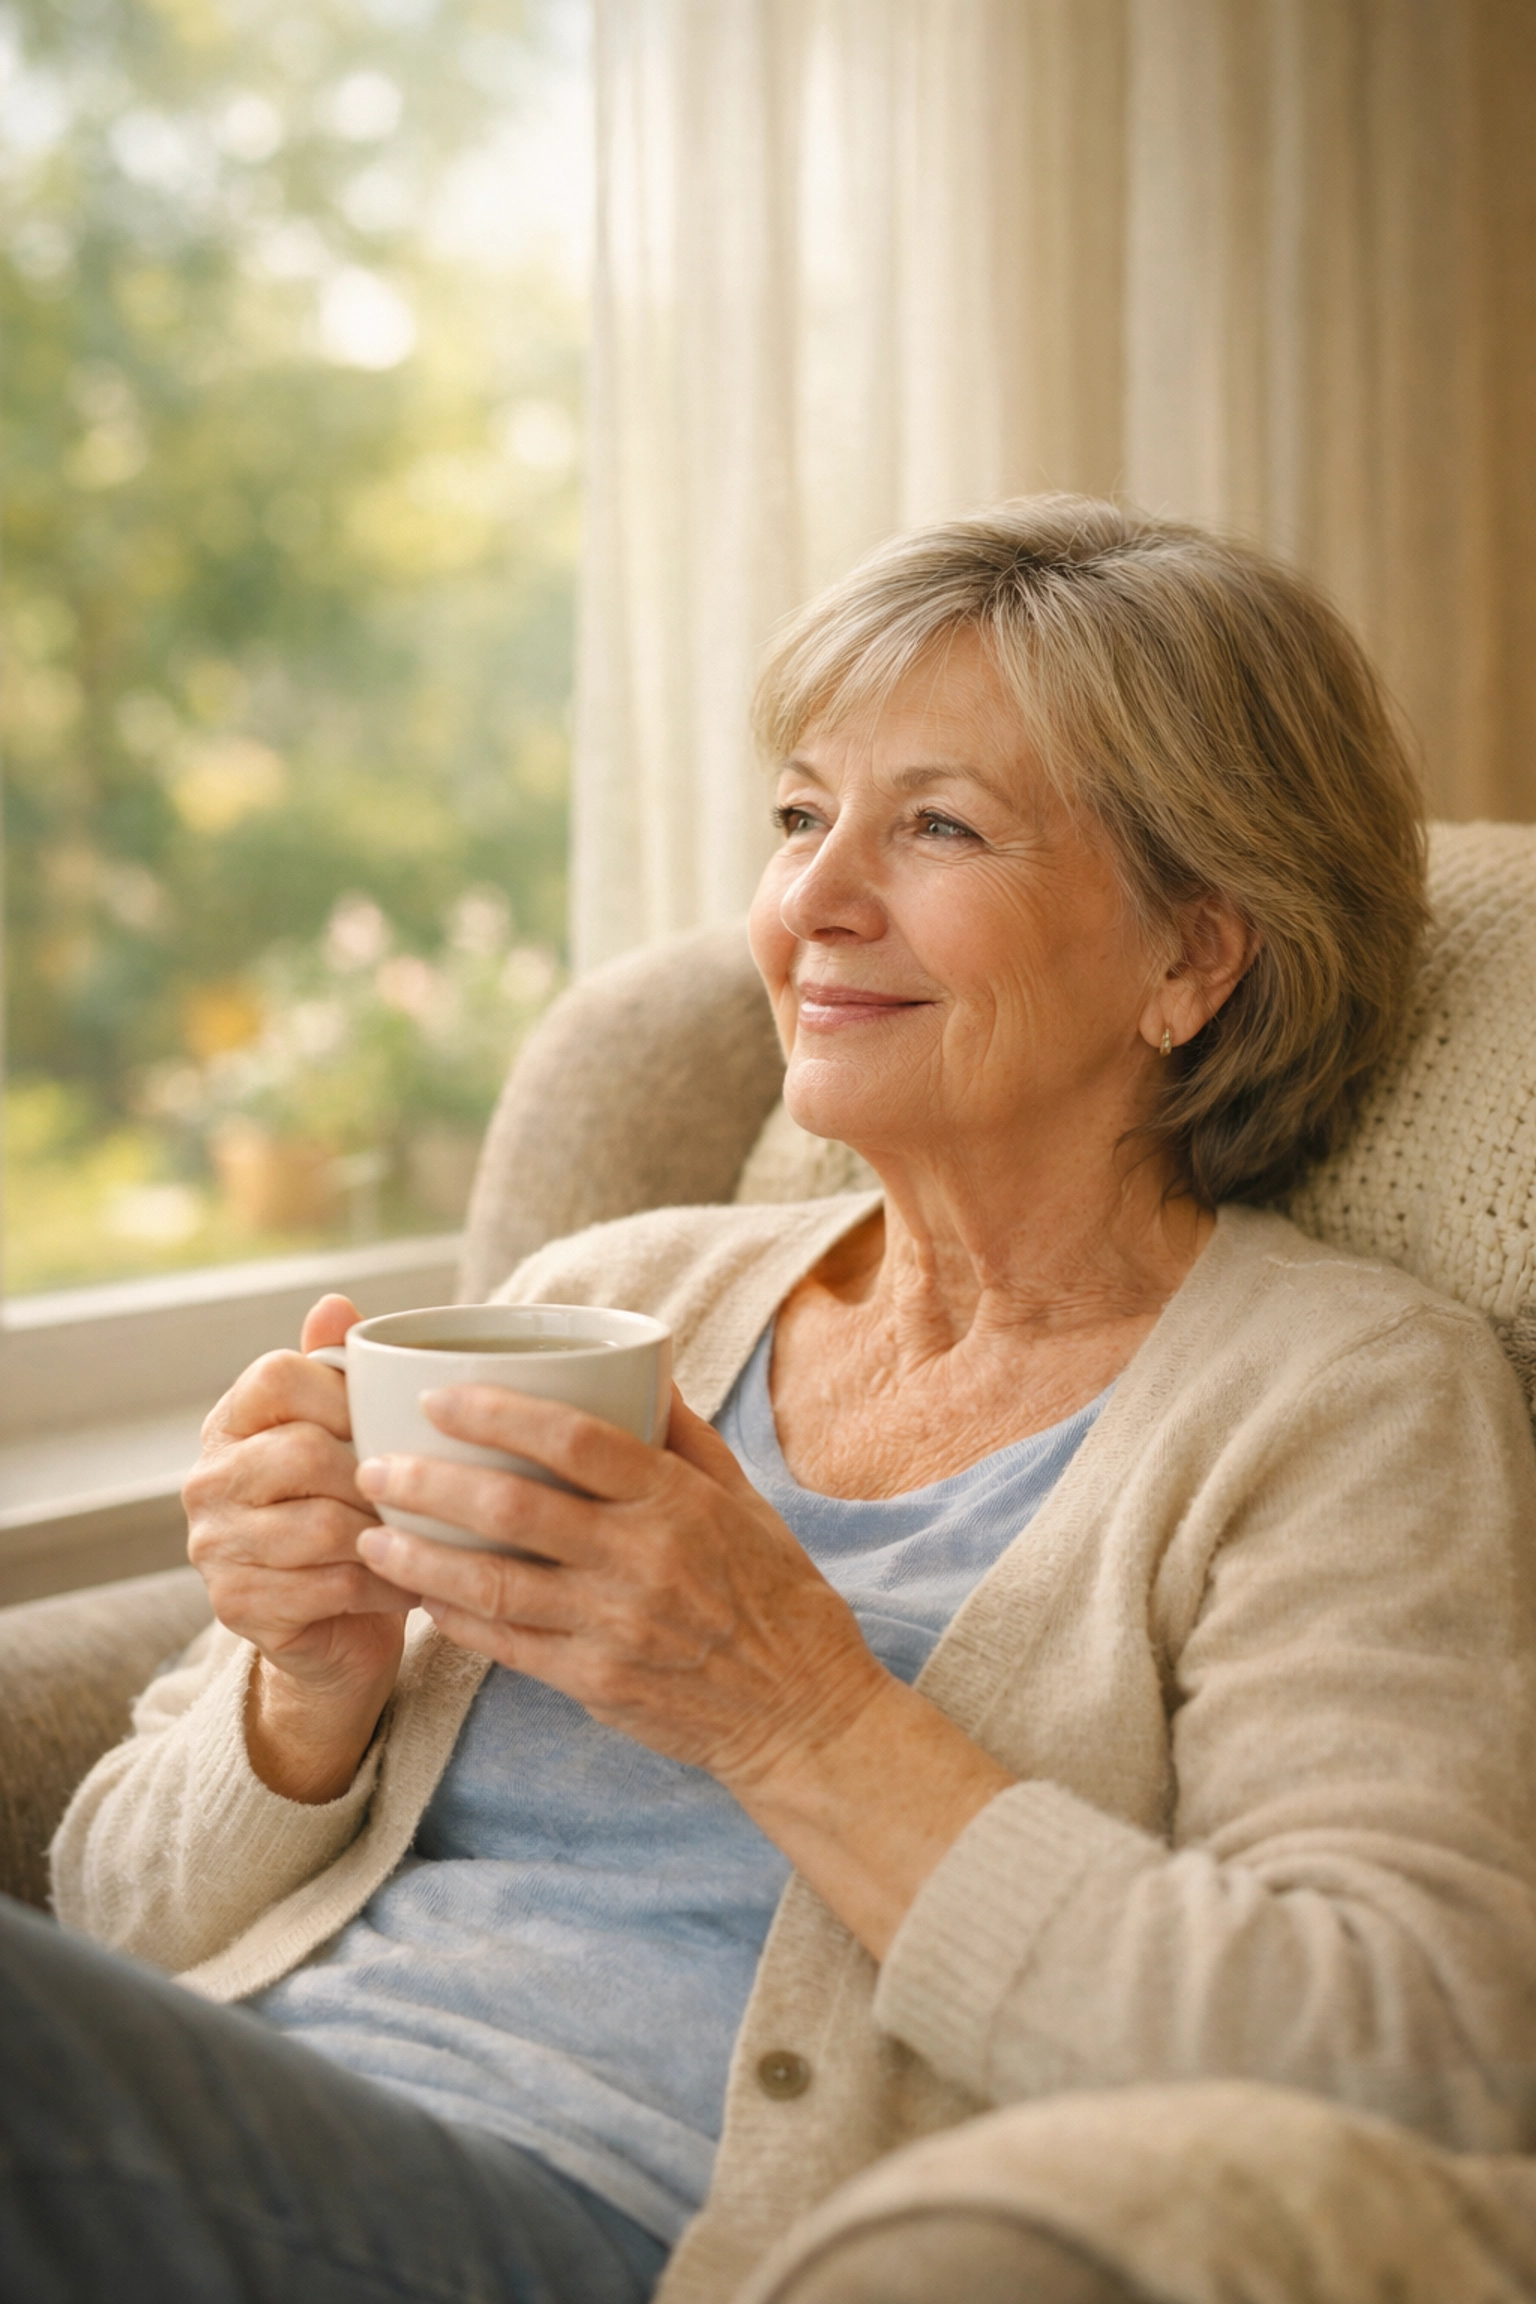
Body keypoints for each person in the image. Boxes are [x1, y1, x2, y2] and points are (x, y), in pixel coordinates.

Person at [12, 497, 1536, 2304]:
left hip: (610, 2236)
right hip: (244, 2145)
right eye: (803, 815)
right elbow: (111, 1908)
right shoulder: (605, 1297)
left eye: (938, 826)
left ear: (1193, 958)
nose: (810, 903)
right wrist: (308, 1689)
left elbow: (1409, 2052)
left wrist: (798, 1714)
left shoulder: (1341, 1400)